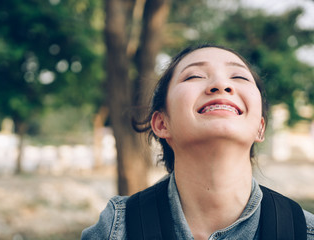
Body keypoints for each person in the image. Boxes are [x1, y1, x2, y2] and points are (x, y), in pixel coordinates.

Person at [81, 44, 314, 239]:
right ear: (162, 123)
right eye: (194, 76)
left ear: (260, 127)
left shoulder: (304, 231)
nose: (222, 86)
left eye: (239, 76)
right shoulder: (118, 228)